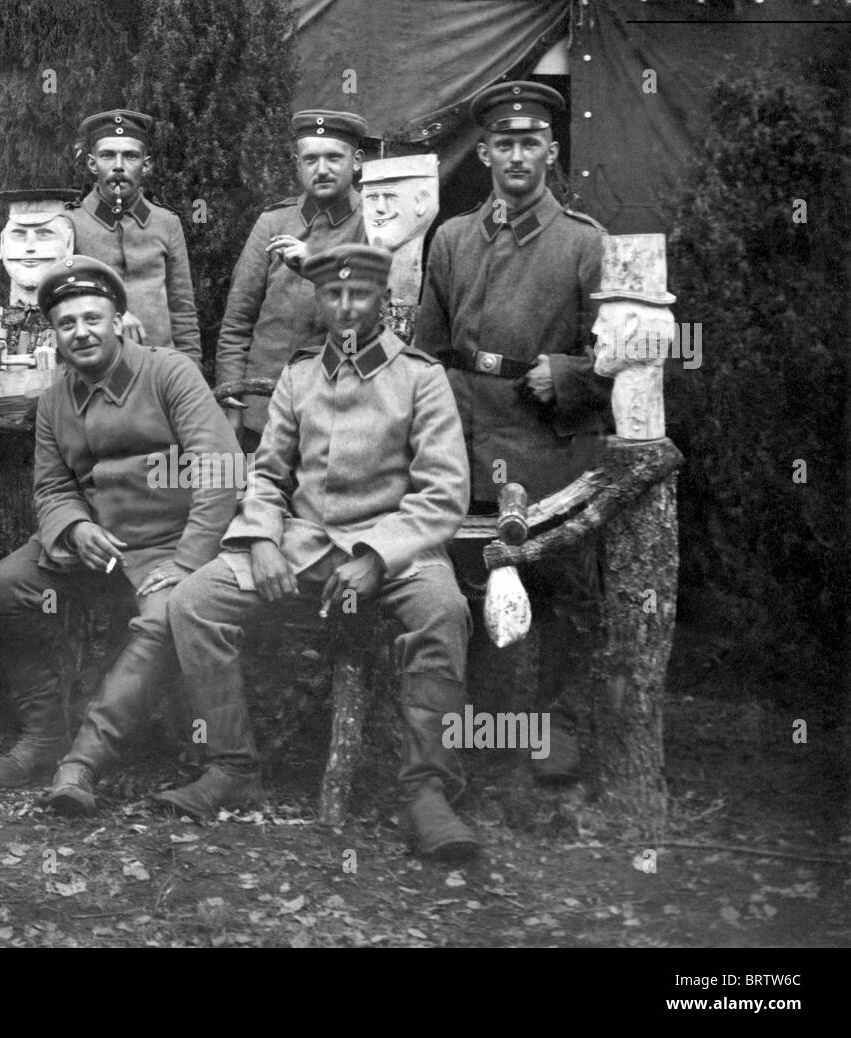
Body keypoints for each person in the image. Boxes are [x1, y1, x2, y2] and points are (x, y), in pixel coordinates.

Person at [166, 244, 478, 862]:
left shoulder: (421, 376)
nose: (343, 307)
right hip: (304, 546)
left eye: (357, 294)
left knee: (444, 611)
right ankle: (233, 767)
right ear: (318, 298)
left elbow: (444, 493)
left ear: (381, 300)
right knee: (193, 602)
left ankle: (426, 791)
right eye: (331, 294)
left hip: (398, 551)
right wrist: (260, 539)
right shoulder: (299, 374)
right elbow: (267, 475)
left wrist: (377, 557)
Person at [0, 256, 239, 809]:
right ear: (55, 334)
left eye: (93, 318)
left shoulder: (168, 372)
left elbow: (222, 468)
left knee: (160, 619)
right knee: (7, 584)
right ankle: (44, 735)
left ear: (119, 319)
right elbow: (51, 488)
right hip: (93, 552)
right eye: (67, 323)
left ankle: (82, 763)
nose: (82, 333)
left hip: (168, 546)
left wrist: (191, 558)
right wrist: (74, 528)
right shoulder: (54, 400)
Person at [413, 81, 609, 783]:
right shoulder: (453, 239)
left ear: (551, 152)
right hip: (466, 440)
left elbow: (630, 360)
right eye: (504, 143)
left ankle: (557, 725)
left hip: (551, 447)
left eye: (530, 142)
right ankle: (480, 723)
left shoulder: (585, 244)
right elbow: (424, 354)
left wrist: (572, 374)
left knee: (560, 591)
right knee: (468, 589)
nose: (516, 155)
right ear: (487, 151)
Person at [214, 109, 368, 452]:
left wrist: (317, 268)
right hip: (263, 411)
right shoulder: (273, 223)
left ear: (356, 161)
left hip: (339, 412)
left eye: (334, 157)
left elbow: (374, 326)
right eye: (311, 159)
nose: (322, 169)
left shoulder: (374, 224)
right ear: (297, 164)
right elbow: (238, 320)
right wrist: (231, 397)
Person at [65, 109, 201, 366]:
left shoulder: (166, 223)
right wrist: (112, 313)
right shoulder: (70, 223)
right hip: (94, 369)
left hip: (160, 369)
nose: (118, 165)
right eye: (107, 155)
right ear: (92, 164)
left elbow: (183, 311)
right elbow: (61, 303)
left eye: (130, 156)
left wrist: (191, 372)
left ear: (146, 165)